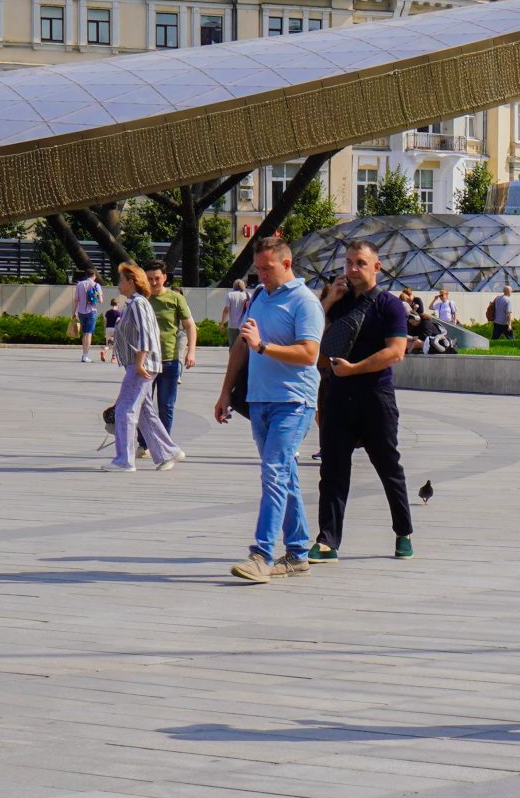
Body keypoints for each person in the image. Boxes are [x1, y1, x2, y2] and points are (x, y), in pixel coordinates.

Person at [216, 236, 324, 582]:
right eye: (258, 269)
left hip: (293, 401)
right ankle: (297, 552)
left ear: (287, 264)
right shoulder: (259, 297)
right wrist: (225, 392)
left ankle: (261, 554)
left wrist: (264, 346)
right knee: (284, 474)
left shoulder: (305, 302)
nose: (260, 275)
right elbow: (241, 348)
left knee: (274, 472)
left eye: (267, 268)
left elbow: (309, 354)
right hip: (259, 399)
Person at [312, 240, 414, 561]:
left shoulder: (389, 306)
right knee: (332, 471)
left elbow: (396, 351)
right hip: (338, 397)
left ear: (376, 267)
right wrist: (327, 301)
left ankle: (403, 532)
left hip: (375, 398)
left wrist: (354, 369)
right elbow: (312, 342)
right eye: (349, 263)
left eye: (360, 263)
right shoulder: (338, 303)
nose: (353, 269)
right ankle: (328, 539)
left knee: (388, 467)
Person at [101, 263, 182, 473]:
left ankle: (124, 460)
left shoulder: (138, 303)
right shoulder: (134, 303)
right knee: (145, 412)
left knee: (125, 409)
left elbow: (146, 334)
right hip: (140, 364)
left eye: (121, 280)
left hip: (141, 365)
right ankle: (168, 451)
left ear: (131, 282)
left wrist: (139, 362)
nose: (118, 284)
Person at [144, 261, 195, 437]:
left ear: (165, 277)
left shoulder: (175, 298)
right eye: (149, 278)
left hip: (169, 359)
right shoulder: (141, 298)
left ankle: (164, 443)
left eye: (157, 278)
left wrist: (191, 351)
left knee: (166, 404)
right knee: (144, 403)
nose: (153, 282)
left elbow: (190, 326)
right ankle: (143, 443)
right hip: (145, 361)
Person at [71, 269, 105, 363]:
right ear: (94, 275)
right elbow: (101, 301)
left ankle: (83, 354)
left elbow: (76, 299)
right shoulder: (96, 285)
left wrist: (74, 312)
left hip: (81, 312)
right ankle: (85, 355)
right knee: (88, 333)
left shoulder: (79, 284)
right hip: (91, 311)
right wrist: (94, 299)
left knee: (84, 333)